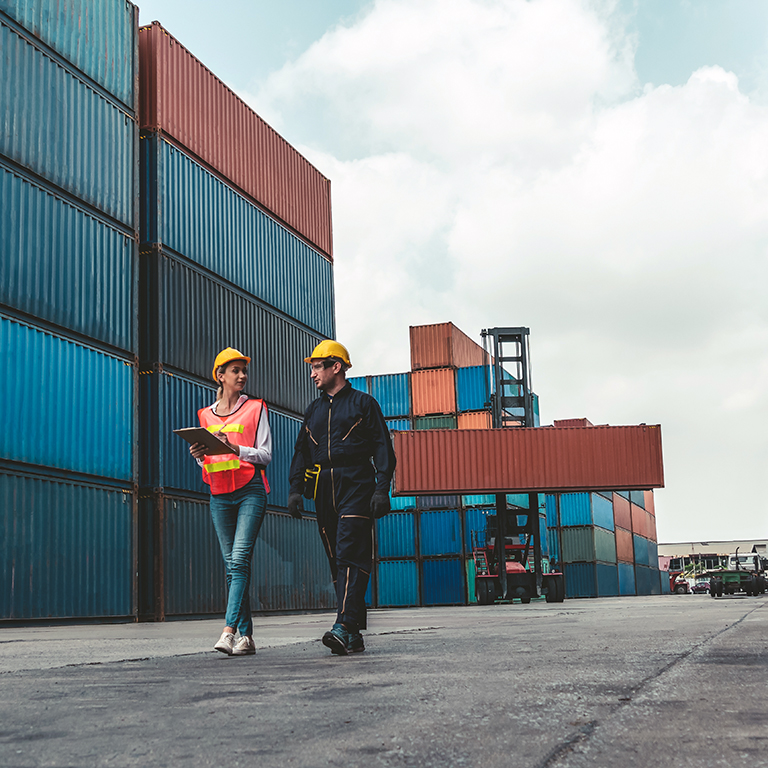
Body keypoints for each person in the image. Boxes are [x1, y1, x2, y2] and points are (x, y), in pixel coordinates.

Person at [288, 340, 396, 655]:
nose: (312, 374)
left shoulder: (364, 404)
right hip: (324, 487)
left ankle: (343, 626)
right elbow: (301, 452)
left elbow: (382, 447)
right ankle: (354, 632)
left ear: (337, 366)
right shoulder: (314, 410)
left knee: (351, 554)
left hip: (357, 483)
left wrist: (381, 487)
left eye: (317, 366)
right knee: (337, 560)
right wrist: (296, 489)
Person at [189, 347, 272, 656]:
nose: (242, 375)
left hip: (251, 489)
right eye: (235, 371)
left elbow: (265, 454)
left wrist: (236, 448)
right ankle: (247, 638)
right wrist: (199, 457)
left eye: (243, 370)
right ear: (220, 376)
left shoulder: (256, 408)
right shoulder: (205, 415)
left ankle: (228, 631)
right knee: (233, 567)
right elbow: (208, 460)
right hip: (219, 494)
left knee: (238, 561)